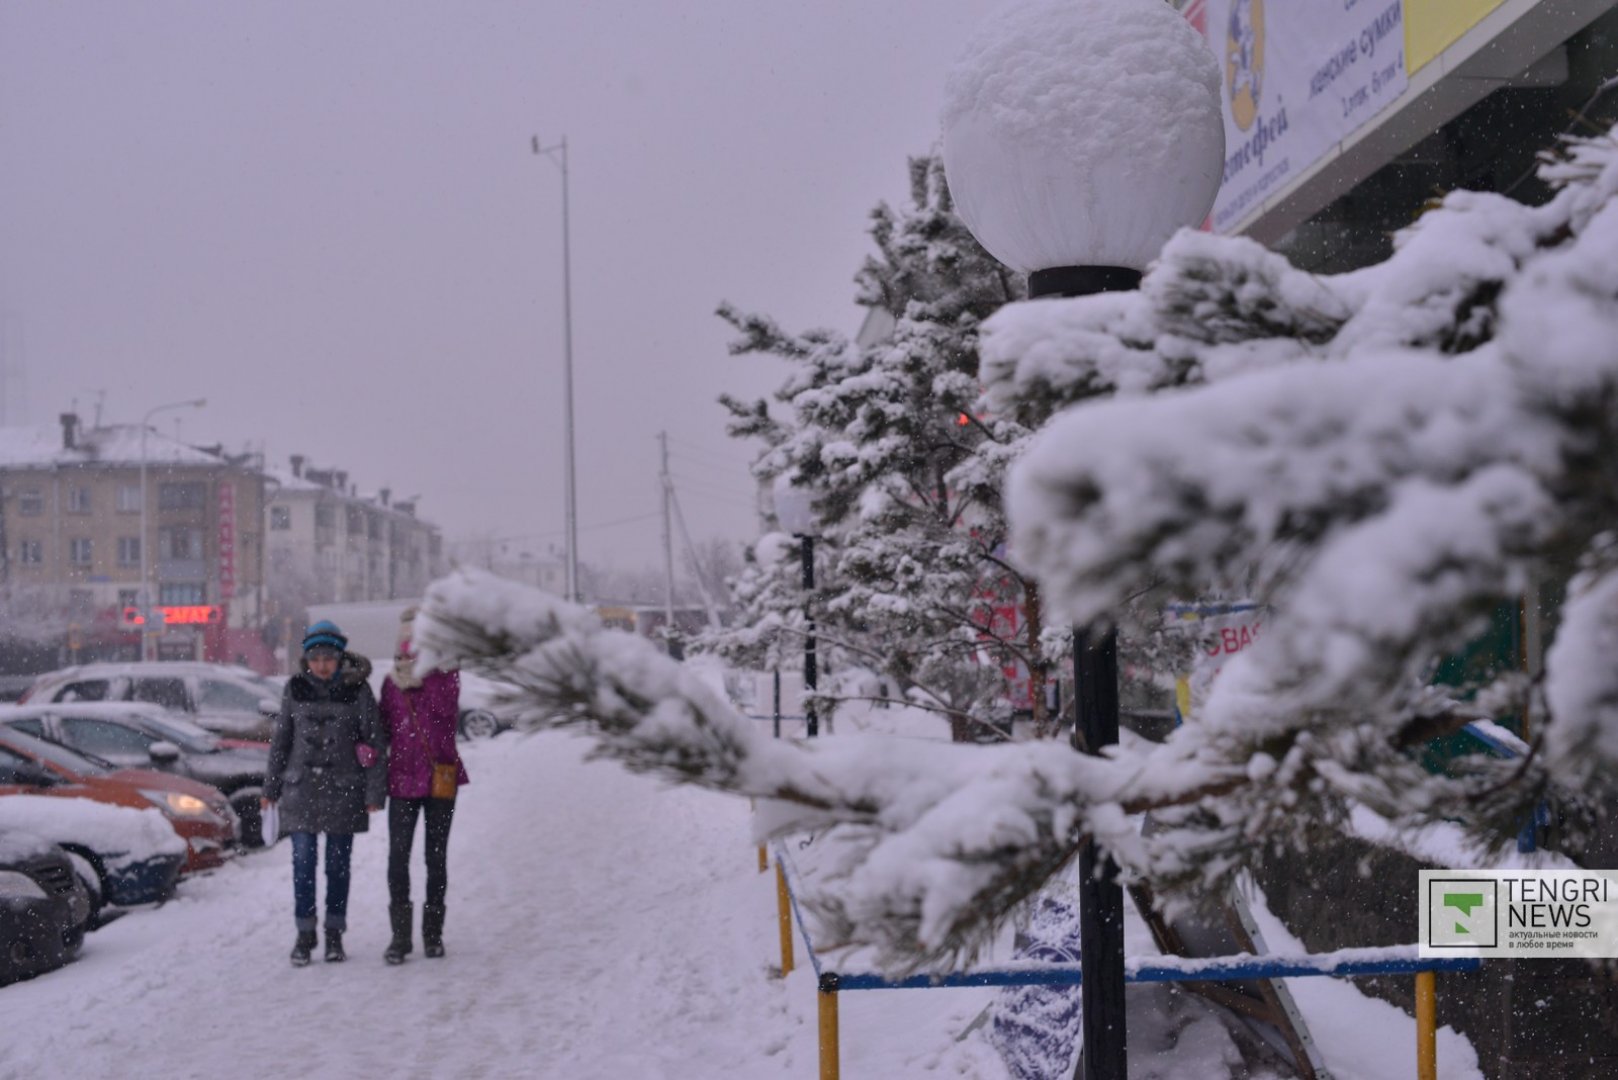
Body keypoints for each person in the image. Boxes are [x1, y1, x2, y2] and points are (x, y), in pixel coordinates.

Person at [262, 620, 388, 966]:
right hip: (300, 789)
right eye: (315, 658)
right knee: (303, 864)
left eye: (328, 657)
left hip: (344, 789)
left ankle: (334, 935)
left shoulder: (358, 690)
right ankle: (304, 934)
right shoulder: (294, 688)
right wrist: (270, 788)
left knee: (337, 866)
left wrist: (375, 792)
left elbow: (375, 742)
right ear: (306, 659)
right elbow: (282, 740)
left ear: (339, 657)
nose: (321, 664)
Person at [378, 637, 468, 964]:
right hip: (402, 780)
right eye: (404, 654)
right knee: (398, 857)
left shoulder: (445, 679)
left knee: (435, 856)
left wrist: (427, 678)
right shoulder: (391, 684)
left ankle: (433, 936)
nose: (409, 659)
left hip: (439, 779)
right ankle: (400, 938)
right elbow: (384, 727)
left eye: (416, 654)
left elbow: (446, 716)